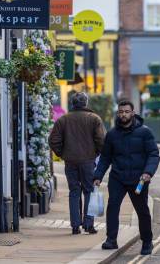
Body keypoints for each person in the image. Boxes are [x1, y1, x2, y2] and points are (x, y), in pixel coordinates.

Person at [93, 100, 160, 256]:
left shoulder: (145, 132)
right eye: (121, 112)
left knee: (142, 210)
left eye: (126, 111)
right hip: (117, 177)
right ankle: (111, 240)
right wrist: (98, 175)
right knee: (113, 207)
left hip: (139, 179)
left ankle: (147, 241)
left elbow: (153, 154)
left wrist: (148, 173)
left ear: (133, 113)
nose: (123, 114)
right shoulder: (111, 135)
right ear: (118, 113)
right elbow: (105, 158)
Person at [49, 92, 106, 235]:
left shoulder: (63, 120)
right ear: (86, 103)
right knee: (89, 191)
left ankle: (75, 226)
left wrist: (63, 154)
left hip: (70, 162)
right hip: (88, 161)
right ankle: (88, 225)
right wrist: (97, 153)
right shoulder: (94, 119)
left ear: (72, 103)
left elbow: (53, 140)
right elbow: (101, 140)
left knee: (74, 192)